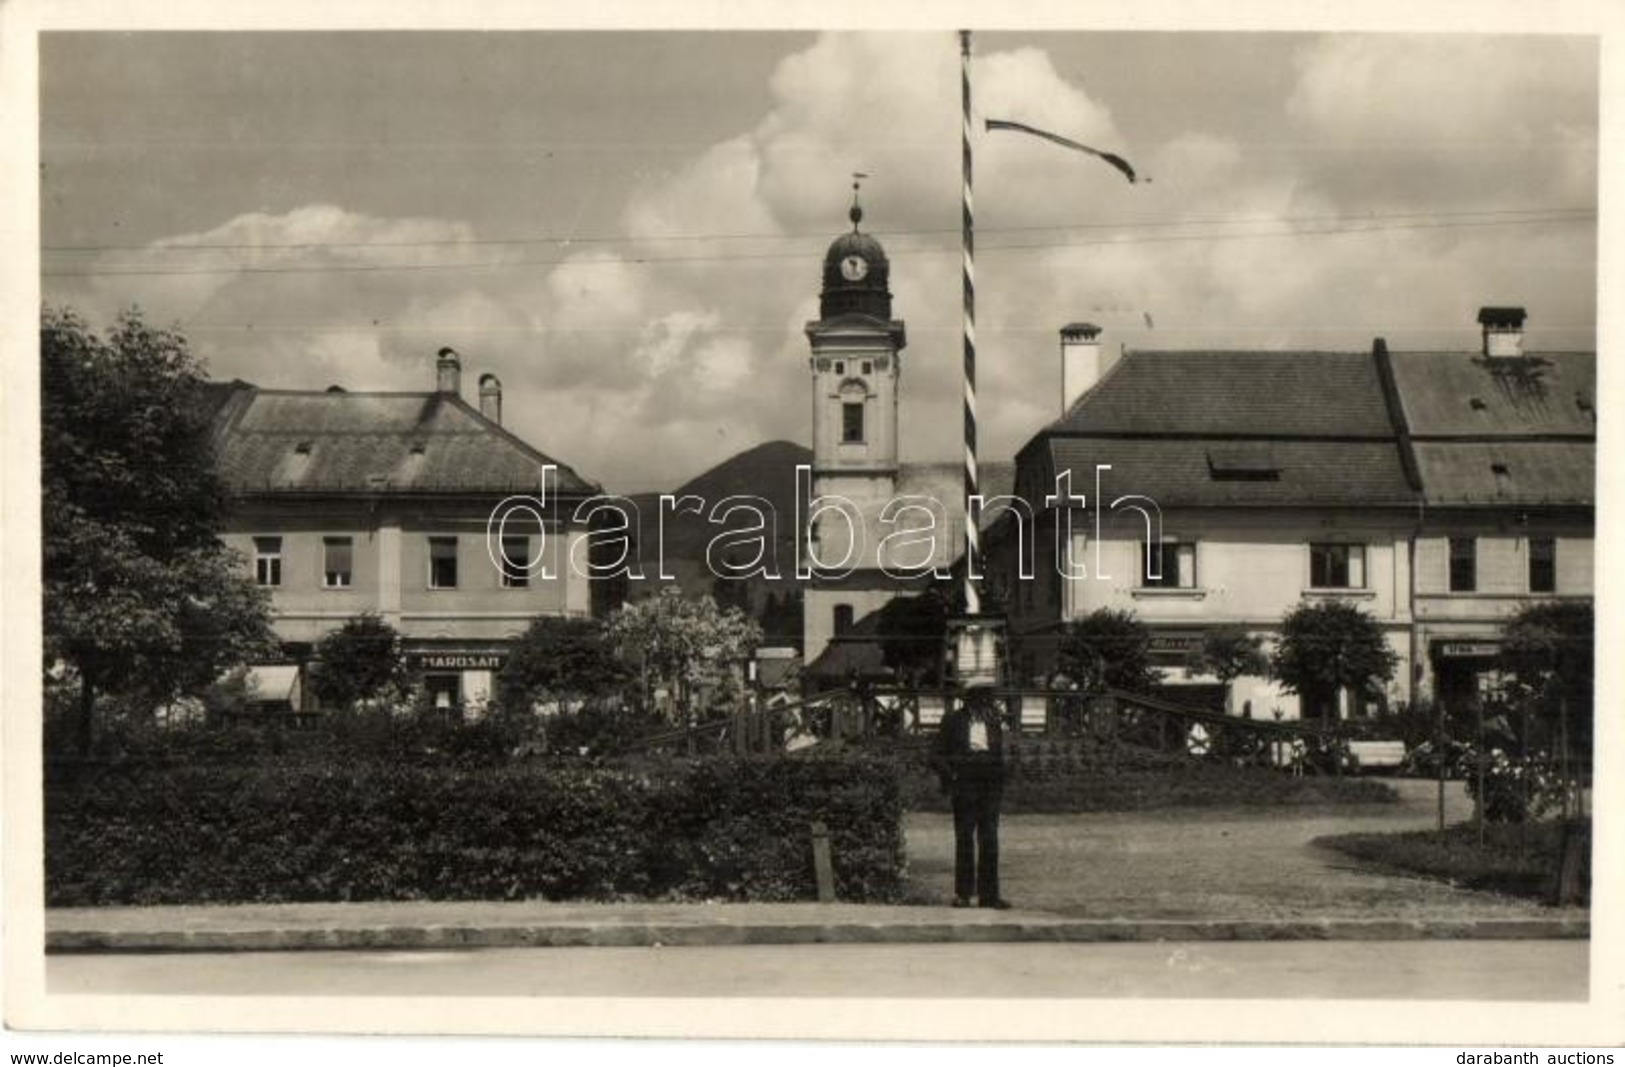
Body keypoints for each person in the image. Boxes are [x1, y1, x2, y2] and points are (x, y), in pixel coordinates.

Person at [931, 682, 1012, 909]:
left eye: (989, 697)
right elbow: (935, 755)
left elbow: (997, 754)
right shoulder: (953, 721)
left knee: (990, 839)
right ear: (971, 699)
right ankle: (963, 895)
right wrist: (952, 775)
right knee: (965, 838)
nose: (989, 701)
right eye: (984, 697)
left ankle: (990, 896)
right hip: (965, 783)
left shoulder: (993, 721)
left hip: (990, 785)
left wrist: (1000, 777)